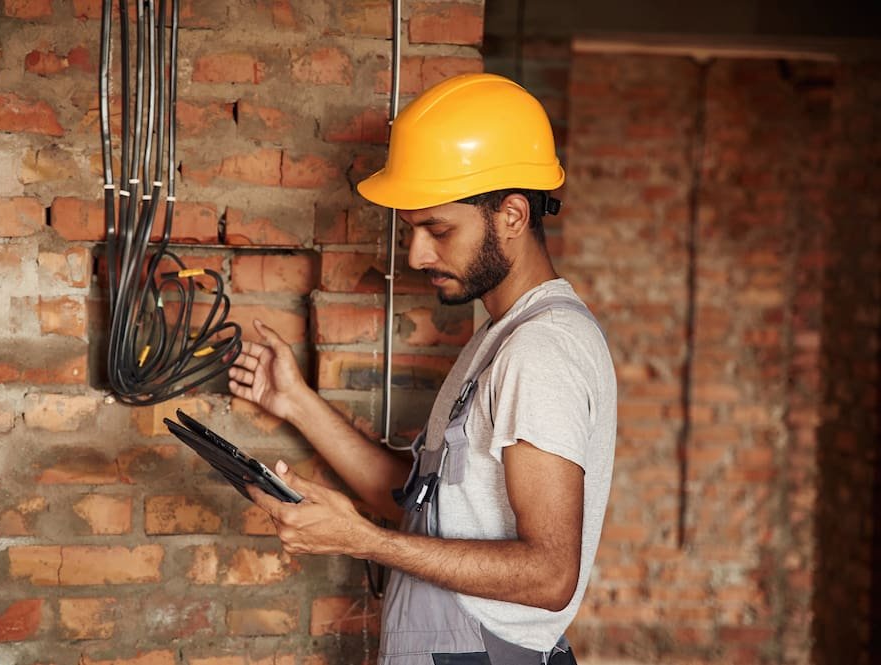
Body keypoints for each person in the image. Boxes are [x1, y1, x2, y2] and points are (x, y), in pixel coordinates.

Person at [228, 73, 617, 665]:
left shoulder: (541, 350)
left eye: (439, 229)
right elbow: (414, 504)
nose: (417, 255)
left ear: (512, 214)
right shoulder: (497, 336)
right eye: (414, 231)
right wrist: (296, 402)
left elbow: (549, 573)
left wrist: (366, 543)